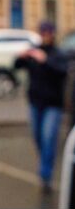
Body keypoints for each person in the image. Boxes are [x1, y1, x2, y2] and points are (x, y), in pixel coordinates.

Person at [15, 21, 68, 192]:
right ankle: (45, 162)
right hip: (35, 103)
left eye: (48, 32)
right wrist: (21, 56)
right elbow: (16, 66)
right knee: (38, 137)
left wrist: (45, 60)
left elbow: (62, 71)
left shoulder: (58, 54)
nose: (45, 35)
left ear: (53, 34)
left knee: (48, 138)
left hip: (53, 105)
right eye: (43, 32)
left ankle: (45, 175)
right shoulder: (34, 51)